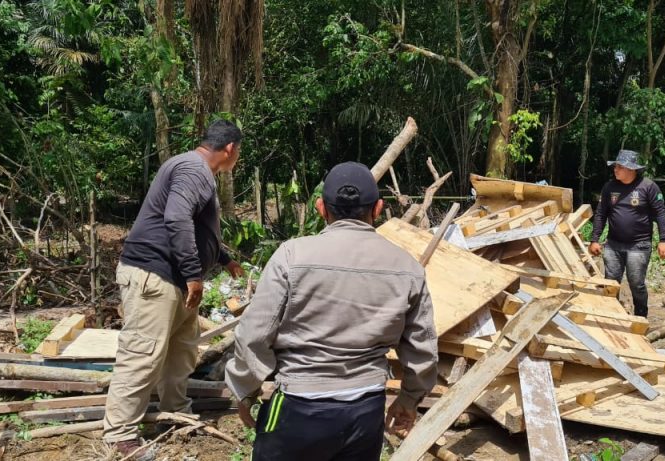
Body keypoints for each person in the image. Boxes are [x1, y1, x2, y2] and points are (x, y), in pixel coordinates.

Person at [224, 162, 438, 461]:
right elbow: (422, 346)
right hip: (366, 411)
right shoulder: (407, 267)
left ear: (321, 208)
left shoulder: (291, 255)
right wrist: (410, 398)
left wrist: (246, 388)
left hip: (298, 405)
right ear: (377, 209)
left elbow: (254, 334)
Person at [105, 120, 246, 459]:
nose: (237, 157)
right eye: (239, 152)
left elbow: (196, 227)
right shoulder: (193, 169)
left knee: (180, 352)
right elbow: (177, 218)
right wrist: (194, 275)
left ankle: (175, 414)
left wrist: (224, 259)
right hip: (156, 276)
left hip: (175, 280)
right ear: (230, 149)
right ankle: (120, 435)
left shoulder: (196, 170)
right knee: (142, 355)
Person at [588, 149, 665, 317]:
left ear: (632, 169)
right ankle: (612, 315)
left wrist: (663, 240)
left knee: (636, 283)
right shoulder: (610, 187)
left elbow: (660, 213)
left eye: (620, 167)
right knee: (611, 283)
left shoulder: (648, 187)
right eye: (615, 166)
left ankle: (640, 317)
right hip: (613, 245)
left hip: (639, 246)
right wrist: (594, 239)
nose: (615, 170)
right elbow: (601, 214)